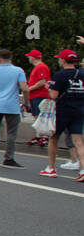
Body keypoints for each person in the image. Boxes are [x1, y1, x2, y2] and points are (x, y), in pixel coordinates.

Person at [41, 50, 84, 181]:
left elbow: (54, 95)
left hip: (62, 111)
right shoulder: (82, 73)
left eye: (60, 59)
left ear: (63, 60)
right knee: (79, 141)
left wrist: (48, 87)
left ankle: (51, 168)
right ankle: (82, 170)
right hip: (79, 110)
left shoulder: (59, 75)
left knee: (54, 138)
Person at [25, 50, 52, 147]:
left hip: (40, 95)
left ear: (34, 57)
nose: (29, 59)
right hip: (35, 95)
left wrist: (29, 89)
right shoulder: (38, 67)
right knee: (36, 116)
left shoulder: (41, 67)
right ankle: (39, 135)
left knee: (40, 117)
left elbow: (42, 81)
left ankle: (44, 136)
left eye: (30, 57)